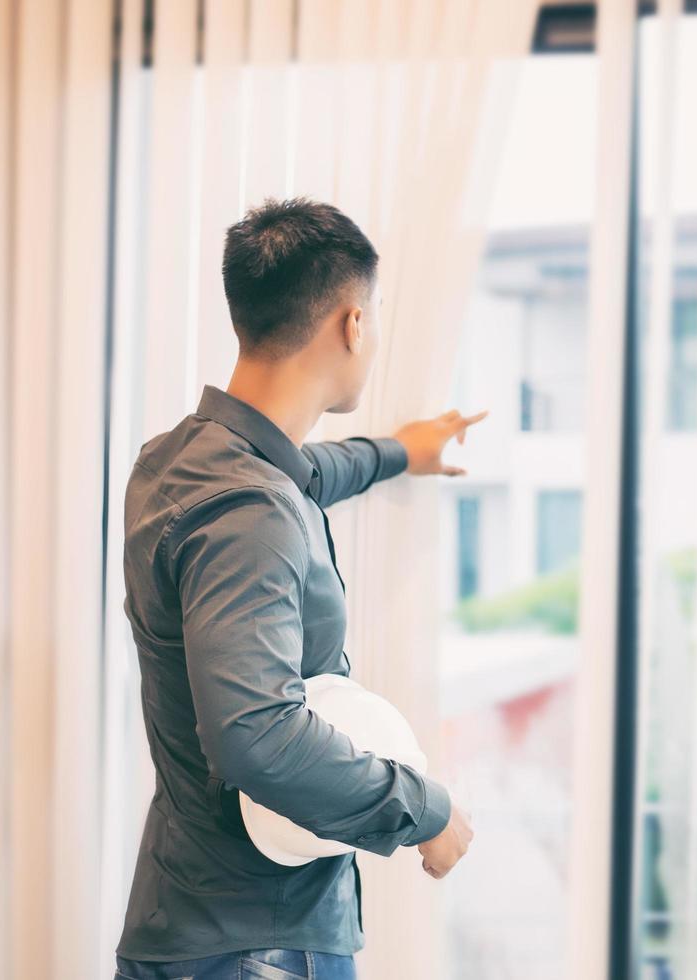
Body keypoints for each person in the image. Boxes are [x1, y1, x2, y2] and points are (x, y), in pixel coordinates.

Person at [114, 198, 479, 980]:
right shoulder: (252, 510)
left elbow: (305, 471)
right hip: (256, 949)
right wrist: (425, 812)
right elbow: (257, 735)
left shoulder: (178, 460)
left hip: (187, 922)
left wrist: (398, 452)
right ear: (352, 322)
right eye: (374, 317)